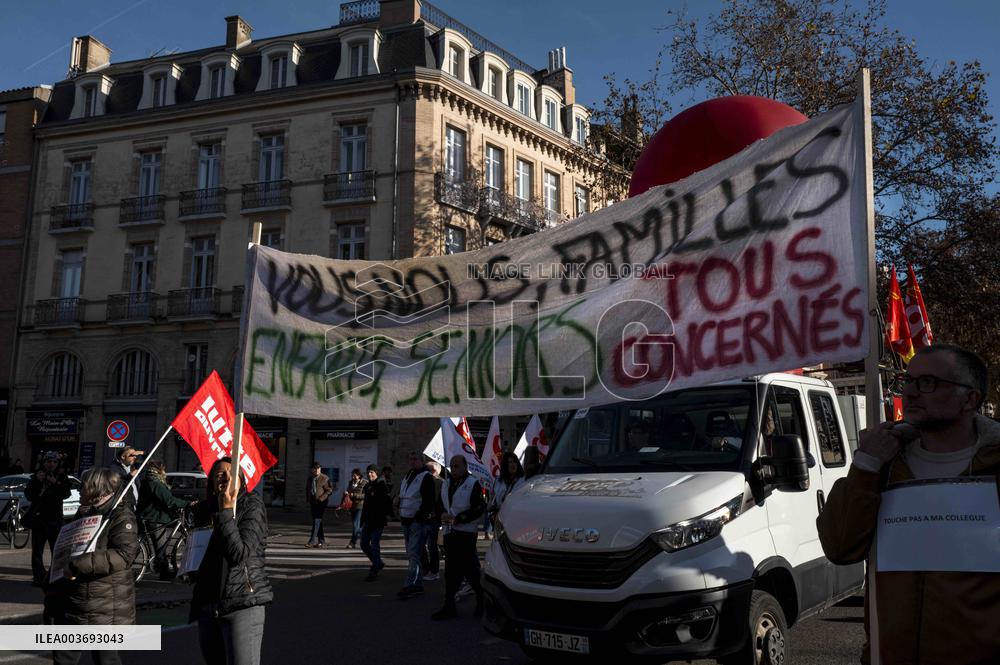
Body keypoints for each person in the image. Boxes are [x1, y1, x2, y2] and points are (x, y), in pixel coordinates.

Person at [817, 344, 1000, 665]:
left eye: (927, 382)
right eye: (908, 381)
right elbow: (840, 547)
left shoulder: (993, 464)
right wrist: (866, 464)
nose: (912, 393)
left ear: (970, 399)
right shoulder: (884, 465)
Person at [44, 467, 139, 665]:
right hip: (74, 599)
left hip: (103, 602)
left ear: (97, 489)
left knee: (106, 659)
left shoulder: (121, 516)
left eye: (84, 486)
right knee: (64, 657)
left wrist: (79, 565)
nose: (79, 490)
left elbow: (124, 555)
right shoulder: (85, 512)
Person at [190, 457, 273, 665]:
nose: (225, 478)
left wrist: (226, 512)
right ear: (211, 482)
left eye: (231, 474)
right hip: (209, 604)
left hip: (241, 602)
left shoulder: (252, 504)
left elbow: (240, 553)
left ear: (242, 481)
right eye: (219, 475)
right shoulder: (207, 509)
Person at [432, 455, 485, 620]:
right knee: (450, 571)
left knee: (471, 571)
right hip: (450, 533)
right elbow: (439, 504)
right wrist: (441, 513)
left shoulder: (472, 484)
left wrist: (459, 518)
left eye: (456, 466)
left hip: (466, 534)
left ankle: (482, 602)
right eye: (451, 467)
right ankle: (449, 606)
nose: (453, 469)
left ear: (464, 467)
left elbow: (479, 507)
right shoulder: (447, 483)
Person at [137, 459, 194, 580]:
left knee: (158, 545)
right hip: (155, 518)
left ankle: (161, 568)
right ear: (159, 469)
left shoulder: (147, 480)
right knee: (161, 548)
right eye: (163, 468)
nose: (165, 471)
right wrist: (186, 504)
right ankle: (164, 573)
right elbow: (168, 499)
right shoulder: (155, 483)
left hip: (148, 516)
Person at [25, 452, 71, 586]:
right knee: (37, 551)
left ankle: (55, 576)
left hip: (55, 518)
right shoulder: (36, 476)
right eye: (49, 461)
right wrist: (37, 482)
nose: (51, 465)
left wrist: (55, 483)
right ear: (44, 463)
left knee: (56, 550)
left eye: (54, 462)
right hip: (39, 519)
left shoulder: (61, 477)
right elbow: (29, 495)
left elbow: (66, 493)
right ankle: (38, 577)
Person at [397, 452, 436, 599]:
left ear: (421, 461)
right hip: (406, 519)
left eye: (415, 459)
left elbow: (429, 500)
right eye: (410, 459)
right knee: (413, 554)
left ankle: (410, 584)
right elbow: (405, 494)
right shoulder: (409, 474)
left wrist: (419, 516)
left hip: (416, 521)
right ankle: (418, 584)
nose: (412, 461)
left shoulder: (425, 476)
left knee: (413, 553)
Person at [359, 465, 391, 581]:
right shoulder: (367, 486)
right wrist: (362, 520)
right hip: (367, 520)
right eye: (368, 472)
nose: (369, 474)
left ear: (376, 473)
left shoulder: (381, 485)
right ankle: (378, 562)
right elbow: (366, 505)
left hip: (377, 521)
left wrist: (386, 516)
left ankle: (374, 569)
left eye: (372, 472)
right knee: (363, 544)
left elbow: (387, 503)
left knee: (375, 545)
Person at [489, 452, 525, 523]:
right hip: (500, 521)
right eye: (510, 462)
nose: (513, 464)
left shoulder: (523, 481)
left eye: (515, 462)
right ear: (505, 465)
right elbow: (492, 502)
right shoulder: (498, 481)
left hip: (517, 520)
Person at [422, 461, 443, 582]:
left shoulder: (441, 483)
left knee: (432, 545)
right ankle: (426, 568)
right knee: (421, 545)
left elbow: (441, 501)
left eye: (430, 470)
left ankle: (434, 571)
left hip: (434, 518)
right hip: (424, 517)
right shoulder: (425, 482)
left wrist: (439, 515)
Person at [305, 462, 332, 548]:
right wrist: (308, 498)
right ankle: (322, 541)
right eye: (315, 468)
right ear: (312, 469)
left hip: (321, 502)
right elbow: (307, 489)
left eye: (318, 468)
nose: (317, 470)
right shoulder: (310, 478)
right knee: (318, 522)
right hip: (313, 502)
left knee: (316, 521)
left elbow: (329, 490)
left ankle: (312, 541)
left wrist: (321, 498)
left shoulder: (324, 478)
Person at [346, 468, 367, 549]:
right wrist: (347, 493)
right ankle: (367, 536)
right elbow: (349, 490)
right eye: (352, 475)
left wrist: (354, 495)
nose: (353, 477)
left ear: (359, 475)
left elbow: (365, 495)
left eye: (355, 475)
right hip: (352, 506)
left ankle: (352, 542)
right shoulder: (350, 482)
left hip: (360, 506)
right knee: (358, 527)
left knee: (355, 525)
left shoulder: (364, 483)